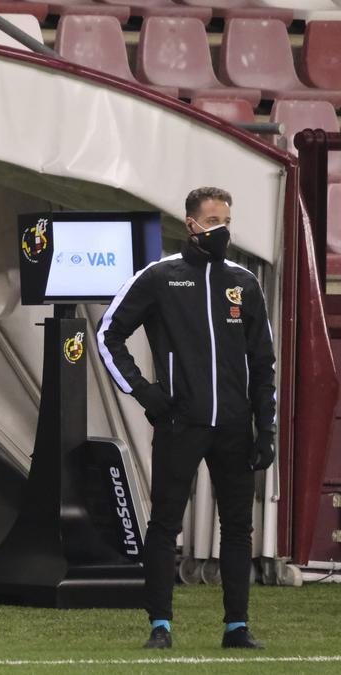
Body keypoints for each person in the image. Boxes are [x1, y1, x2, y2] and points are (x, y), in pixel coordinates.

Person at [96, 187, 276, 651]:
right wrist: (147, 394)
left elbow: (263, 363)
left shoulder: (245, 282)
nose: (222, 228)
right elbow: (108, 335)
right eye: (212, 219)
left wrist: (266, 428)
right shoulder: (159, 277)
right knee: (164, 526)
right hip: (180, 423)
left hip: (236, 427)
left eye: (226, 219)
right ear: (191, 223)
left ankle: (237, 627)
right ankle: (161, 625)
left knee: (238, 529)